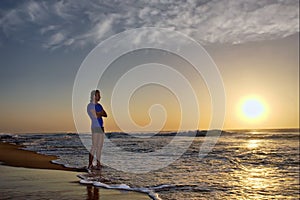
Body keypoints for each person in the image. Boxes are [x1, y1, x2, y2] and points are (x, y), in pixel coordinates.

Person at [87, 90, 107, 170]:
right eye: (99, 95)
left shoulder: (99, 105)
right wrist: (99, 113)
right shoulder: (90, 105)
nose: (100, 97)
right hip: (95, 127)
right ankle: (90, 164)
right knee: (94, 146)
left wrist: (99, 113)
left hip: (101, 127)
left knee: (100, 147)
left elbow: (105, 114)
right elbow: (95, 115)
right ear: (94, 96)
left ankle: (98, 163)